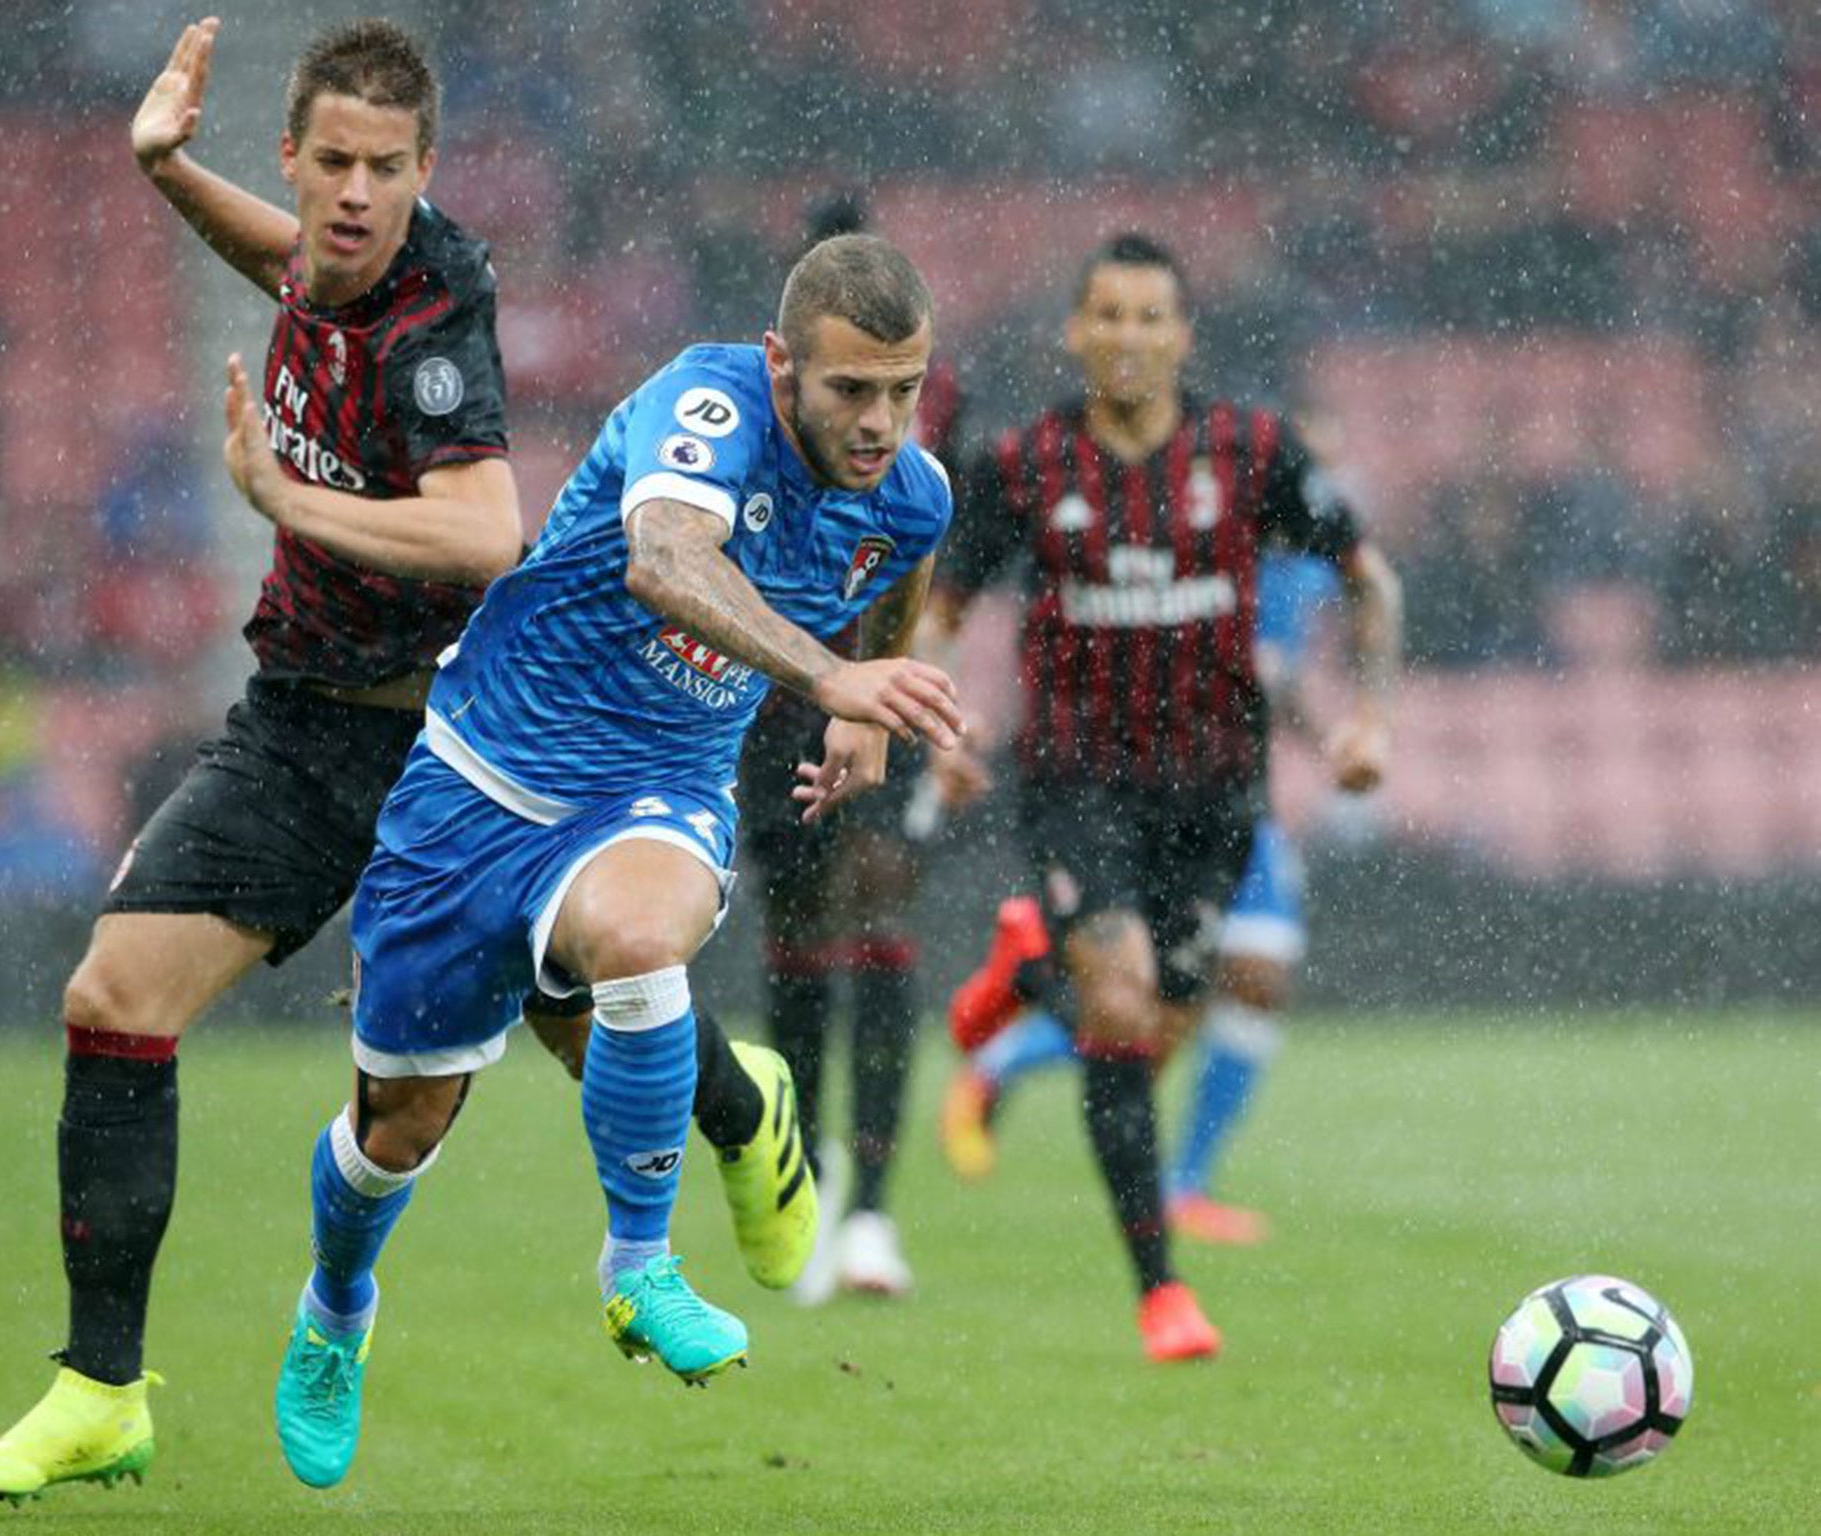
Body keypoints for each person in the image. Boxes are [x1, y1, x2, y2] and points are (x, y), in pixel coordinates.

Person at [0, 18, 807, 1507]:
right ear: (293, 153)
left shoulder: (438, 319)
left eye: (383, 170)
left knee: (565, 1047)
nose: (351, 193)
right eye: (330, 162)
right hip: (301, 723)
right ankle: (98, 1390)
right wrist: (164, 175)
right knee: (112, 1000)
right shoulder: (330, 258)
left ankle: (748, 1114)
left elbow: (484, 533)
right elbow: (298, 267)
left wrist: (283, 496)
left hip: (467, 750)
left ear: (428, 173)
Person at [268, 233, 960, 1489]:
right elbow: (665, 560)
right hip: (480, 778)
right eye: (851, 389)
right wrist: (830, 675)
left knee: (642, 944)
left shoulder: (912, 492)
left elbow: (897, 567)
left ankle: (638, 1267)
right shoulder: (706, 398)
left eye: (903, 389)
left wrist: (859, 706)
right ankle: (334, 1312)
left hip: (661, 783)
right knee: (394, 1135)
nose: (878, 422)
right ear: (779, 364)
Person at [924, 233, 1401, 1363]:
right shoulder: (1023, 463)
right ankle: (1160, 1293)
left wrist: (1367, 718)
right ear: (1074, 332)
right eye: (1108, 315)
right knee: (1123, 1007)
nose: (1128, 337)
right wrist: (936, 723)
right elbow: (939, 611)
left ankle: (1023, 976)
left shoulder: (1254, 451)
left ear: (1182, 336)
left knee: (1163, 1022)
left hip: (1216, 791)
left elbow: (1365, 577)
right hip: (1077, 779)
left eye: (1150, 317)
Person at [939, 550, 1346, 1253]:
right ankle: (1010, 1055)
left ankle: (1179, 1180)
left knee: (1236, 990)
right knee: (1156, 1000)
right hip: (1168, 794)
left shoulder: (1308, 561)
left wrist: (1328, 730)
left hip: (1236, 797)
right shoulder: (1212, 521)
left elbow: (1282, 669)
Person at [733, 192, 966, 1305]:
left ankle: (872, 1210)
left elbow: (935, 541)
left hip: (876, 681)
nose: (876, 413)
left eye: (898, 389)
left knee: (876, 913)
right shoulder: (753, 406)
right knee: (794, 927)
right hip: (770, 693)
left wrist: (896, 692)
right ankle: (807, 1175)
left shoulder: (931, 407)